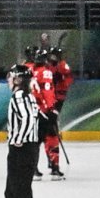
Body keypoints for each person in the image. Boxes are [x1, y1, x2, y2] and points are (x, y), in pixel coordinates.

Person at [3, 64, 42, 198]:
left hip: (23, 149)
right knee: (11, 191)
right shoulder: (27, 96)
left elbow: (27, 118)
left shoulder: (19, 96)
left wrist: (17, 139)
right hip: (26, 148)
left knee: (21, 192)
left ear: (18, 79)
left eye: (10, 77)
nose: (8, 80)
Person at [29, 49, 65, 180]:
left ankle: (33, 170)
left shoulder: (30, 71)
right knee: (52, 138)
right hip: (45, 112)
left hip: (32, 112)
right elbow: (48, 92)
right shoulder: (46, 72)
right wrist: (52, 109)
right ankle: (54, 168)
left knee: (35, 141)